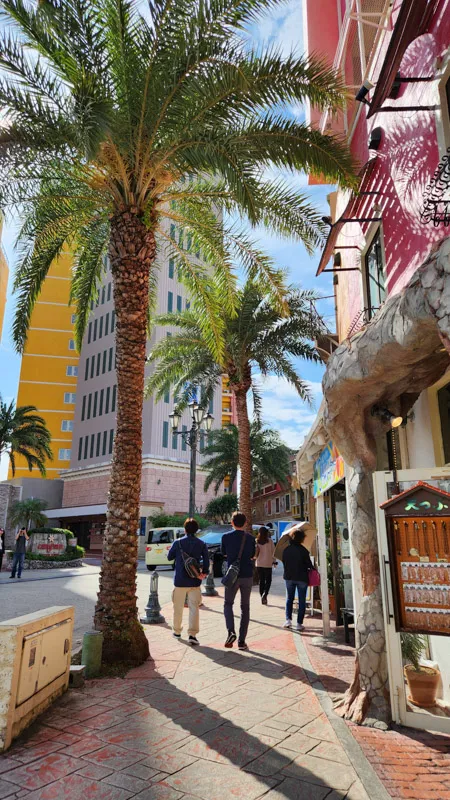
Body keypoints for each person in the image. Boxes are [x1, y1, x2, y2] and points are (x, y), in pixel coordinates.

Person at [167, 518, 209, 645]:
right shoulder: (201, 543)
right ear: (196, 530)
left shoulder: (178, 543)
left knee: (178, 607)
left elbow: (169, 557)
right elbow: (206, 561)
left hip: (180, 580)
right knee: (194, 608)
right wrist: (203, 573)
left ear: (185, 529)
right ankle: (192, 634)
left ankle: (177, 631)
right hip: (194, 580)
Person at [222, 511, 256, 650]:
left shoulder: (225, 537)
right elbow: (253, 555)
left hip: (232, 575)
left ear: (232, 522)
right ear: (245, 523)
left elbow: (223, 552)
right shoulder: (250, 538)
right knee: (245, 607)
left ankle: (231, 631)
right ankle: (242, 641)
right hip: (247, 575)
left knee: (228, 603)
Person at [282, 526, 314, 631]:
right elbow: (309, 565)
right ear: (301, 539)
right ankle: (299, 623)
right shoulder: (304, 551)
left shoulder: (286, 550)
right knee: (301, 600)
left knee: (289, 599)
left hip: (289, 577)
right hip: (302, 578)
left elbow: (284, 563)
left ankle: (288, 620)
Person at [255, 526, 275, 605]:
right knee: (268, 580)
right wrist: (274, 561)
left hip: (259, 563)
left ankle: (262, 596)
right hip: (267, 563)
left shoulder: (256, 541)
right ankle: (265, 594)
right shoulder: (269, 541)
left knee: (261, 580)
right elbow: (273, 552)